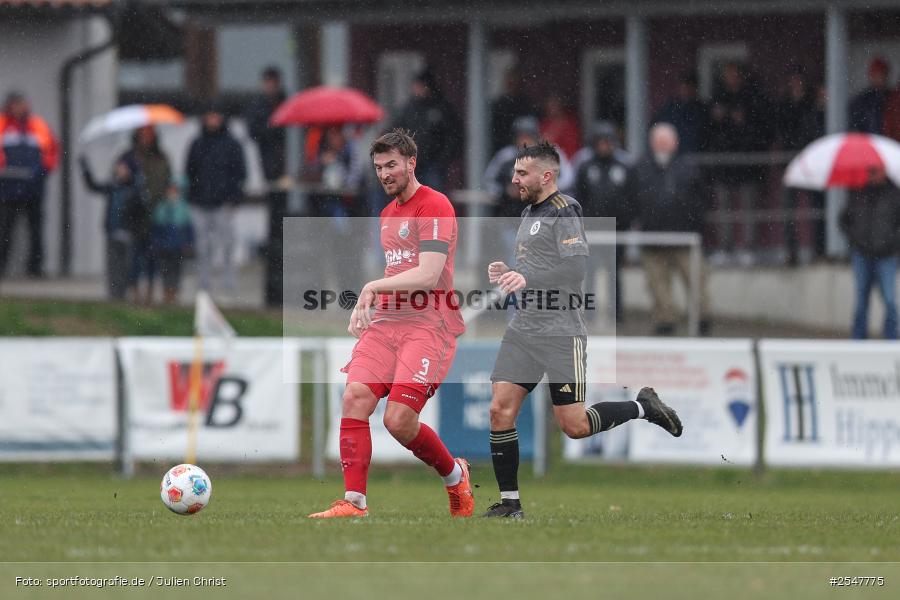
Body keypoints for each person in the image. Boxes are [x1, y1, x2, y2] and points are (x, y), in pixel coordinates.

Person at [483, 141, 683, 519]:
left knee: (574, 426)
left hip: (561, 332)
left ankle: (644, 407)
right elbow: (536, 268)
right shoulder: (528, 211)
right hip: (524, 330)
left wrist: (526, 276)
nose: (514, 179)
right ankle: (510, 504)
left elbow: (574, 270)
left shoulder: (566, 210)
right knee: (499, 410)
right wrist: (508, 273)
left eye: (522, 173)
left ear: (547, 175)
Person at [308, 129, 473, 519]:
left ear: (411, 163)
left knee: (398, 421)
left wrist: (371, 286)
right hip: (387, 323)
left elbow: (429, 274)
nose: (384, 174)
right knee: (355, 398)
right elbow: (398, 269)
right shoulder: (386, 214)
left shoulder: (434, 204)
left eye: (392, 165)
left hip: (429, 325)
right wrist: (370, 303)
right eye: (378, 167)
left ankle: (455, 476)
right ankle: (354, 502)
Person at [633, 123, 712, 336]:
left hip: (685, 236)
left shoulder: (688, 167)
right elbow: (631, 200)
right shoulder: (641, 167)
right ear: (652, 143)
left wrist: (696, 224)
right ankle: (665, 321)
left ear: (675, 143)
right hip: (653, 237)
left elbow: (703, 199)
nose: (662, 145)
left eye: (666, 140)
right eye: (659, 140)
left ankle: (702, 319)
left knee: (696, 280)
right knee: (657, 284)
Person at [574, 121, 638, 323]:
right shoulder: (585, 166)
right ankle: (589, 314)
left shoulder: (624, 165)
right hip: (591, 231)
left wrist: (626, 222)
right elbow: (578, 197)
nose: (604, 146)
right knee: (590, 272)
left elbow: (633, 196)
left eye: (607, 142)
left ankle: (616, 314)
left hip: (617, 230)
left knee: (614, 272)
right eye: (600, 142)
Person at [185, 100, 247, 293]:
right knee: (203, 247)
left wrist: (234, 198)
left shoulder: (232, 144)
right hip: (200, 202)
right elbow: (190, 171)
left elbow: (240, 173)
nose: (212, 120)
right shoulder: (197, 143)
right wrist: (194, 194)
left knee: (227, 244)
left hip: (223, 203)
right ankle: (204, 283)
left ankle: (228, 282)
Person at [0, 92, 59, 278]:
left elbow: (52, 151)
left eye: (22, 104)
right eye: (16, 104)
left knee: (36, 230)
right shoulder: (2, 124)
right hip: (7, 189)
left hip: (34, 188)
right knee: (5, 228)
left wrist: (42, 171)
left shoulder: (38, 125)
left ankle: (35, 269)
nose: (19, 108)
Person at [245, 66, 288, 307]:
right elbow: (254, 131)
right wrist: (271, 127)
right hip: (270, 170)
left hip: (285, 170)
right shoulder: (259, 106)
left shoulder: (285, 102)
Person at [840, 168, 900, 340]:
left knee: (889, 301)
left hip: (886, 255)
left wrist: (893, 242)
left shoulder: (894, 194)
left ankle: (892, 341)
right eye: (870, 170)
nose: (873, 174)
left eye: (876, 170)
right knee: (861, 302)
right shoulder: (857, 193)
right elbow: (843, 220)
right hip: (862, 255)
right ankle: (858, 342)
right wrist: (855, 240)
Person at [80, 155, 147, 301]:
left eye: (122, 167)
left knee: (125, 267)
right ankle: (113, 295)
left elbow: (141, 211)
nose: (119, 169)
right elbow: (93, 186)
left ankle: (122, 294)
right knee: (113, 266)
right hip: (112, 232)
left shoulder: (136, 189)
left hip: (128, 234)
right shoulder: (113, 186)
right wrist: (85, 168)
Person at [776, 67, 825, 265]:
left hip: (810, 160)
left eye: (799, 81)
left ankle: (819, 249)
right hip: (790, 161)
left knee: (817, 207)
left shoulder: (811, 105)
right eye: (793, 81)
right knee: (788, 209)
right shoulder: (784, 106)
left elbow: (814, 130)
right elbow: (780, 130)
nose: (796, 85)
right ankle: (791, 251)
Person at [121, 125, 171, 303]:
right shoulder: (129, 157)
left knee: (152, 255)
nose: (146, 137)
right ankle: (135, 290)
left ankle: (150, 290)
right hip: (135, 213)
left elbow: (165, 182)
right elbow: (120, 180)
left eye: (149, 133)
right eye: (142, 133)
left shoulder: (160, 158)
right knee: (135, 255)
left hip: (154, 212)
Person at [391, 69, 462, 190]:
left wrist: (443, 159)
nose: (416, 89)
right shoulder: (408, 109)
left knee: (434, 195)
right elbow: (395, 132)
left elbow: (454, 136)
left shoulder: (442, 108)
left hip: (433, 165)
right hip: (411, 164)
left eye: (420, 86)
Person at [152, 179, 193, 304]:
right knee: (165, 271)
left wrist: (188, 244)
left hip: (177, 247)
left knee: (176, 271)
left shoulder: (183, 209)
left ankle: (174, 292)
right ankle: (166, 292)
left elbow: (188, 230)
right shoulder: (161, 208)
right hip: (164, 247)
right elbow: (156, 229)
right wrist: (157, 243)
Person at [652, 71, 709, 155]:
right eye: (683, 86)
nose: (685, 90)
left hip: (695, 156)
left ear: (694, 88)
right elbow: (658, 126)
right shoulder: (671, 107)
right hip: (673, 156)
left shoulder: (701, 109)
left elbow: (702, 134)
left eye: (688, 87)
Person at [490, 67, 537, 154]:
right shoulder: (499, 104)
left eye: (514, 79)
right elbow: (495, 130)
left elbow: (529, 126)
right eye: (509, 79)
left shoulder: (525, 103)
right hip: (502, 146)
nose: (512, 82)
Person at [849, 58, 890, 134]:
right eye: (875, 75)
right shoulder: (861, 101)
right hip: (867, 140)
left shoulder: (891, 98)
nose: (879, 78)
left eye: (881, 75)